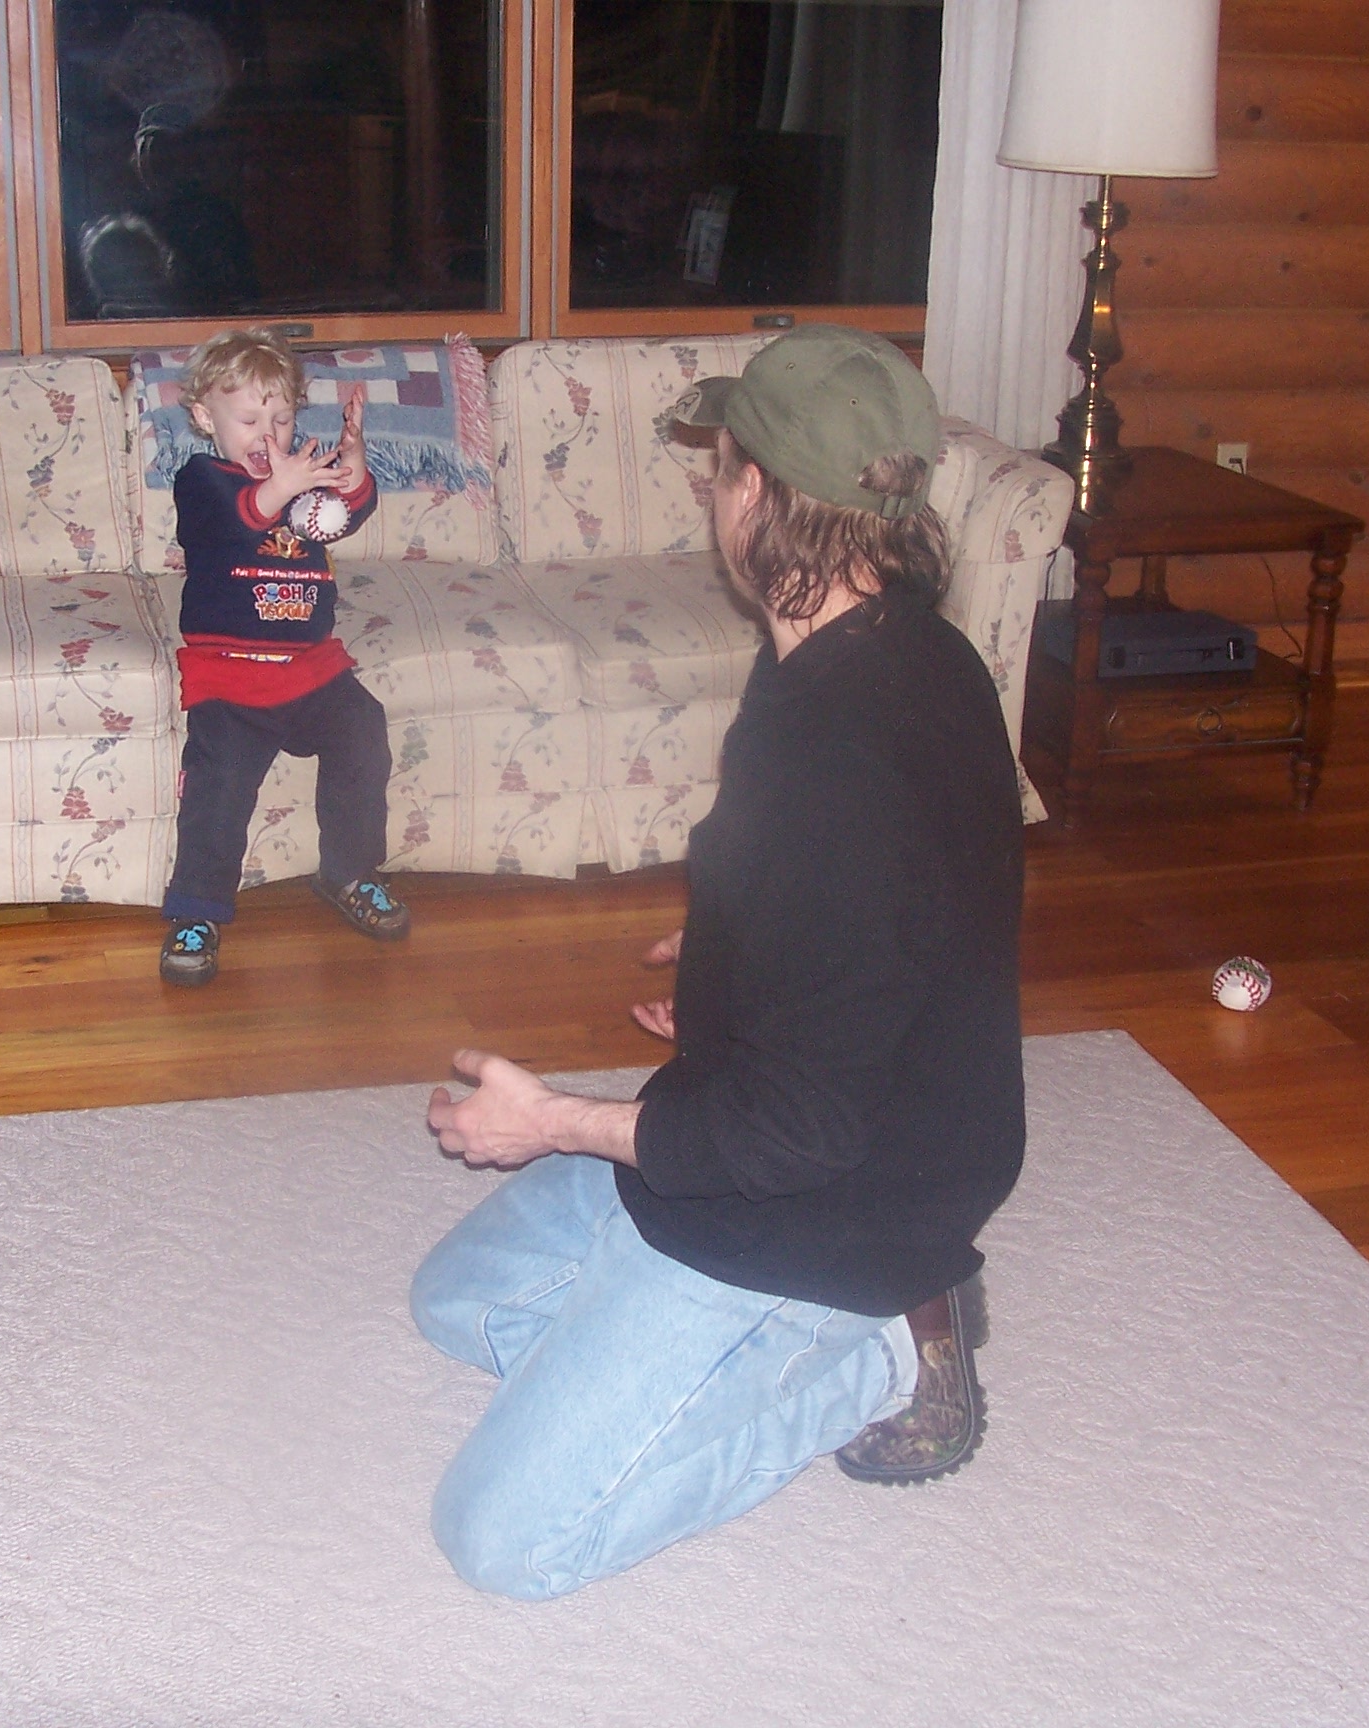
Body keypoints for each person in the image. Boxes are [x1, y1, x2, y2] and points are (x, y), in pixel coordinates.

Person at [414, 325, 1025, 1599]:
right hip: (785, 1110)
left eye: (721, 464)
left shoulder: (839, 762)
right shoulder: (886, 649)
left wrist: (554, 1122)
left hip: (830, 1196)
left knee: (504, 1542)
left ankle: (882, 1356)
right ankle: (696, 1350)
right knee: (455, 1302)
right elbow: (907, 902)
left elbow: (795, 1132)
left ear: (755, 492)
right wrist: (747, 934)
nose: (711, 487)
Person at [161, 329, 410, 986]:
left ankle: (350, 871)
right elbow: (239, 517)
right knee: (218, 782)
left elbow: (341, 513)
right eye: (249, 420)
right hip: (229, 671)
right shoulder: (203, 481)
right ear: (205, 417)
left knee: (364, 729)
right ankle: (196, 911)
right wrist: (286, 482)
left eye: (281, 418)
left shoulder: (297, 481)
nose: (268, 435)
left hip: (311, 666)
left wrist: (352, 467)